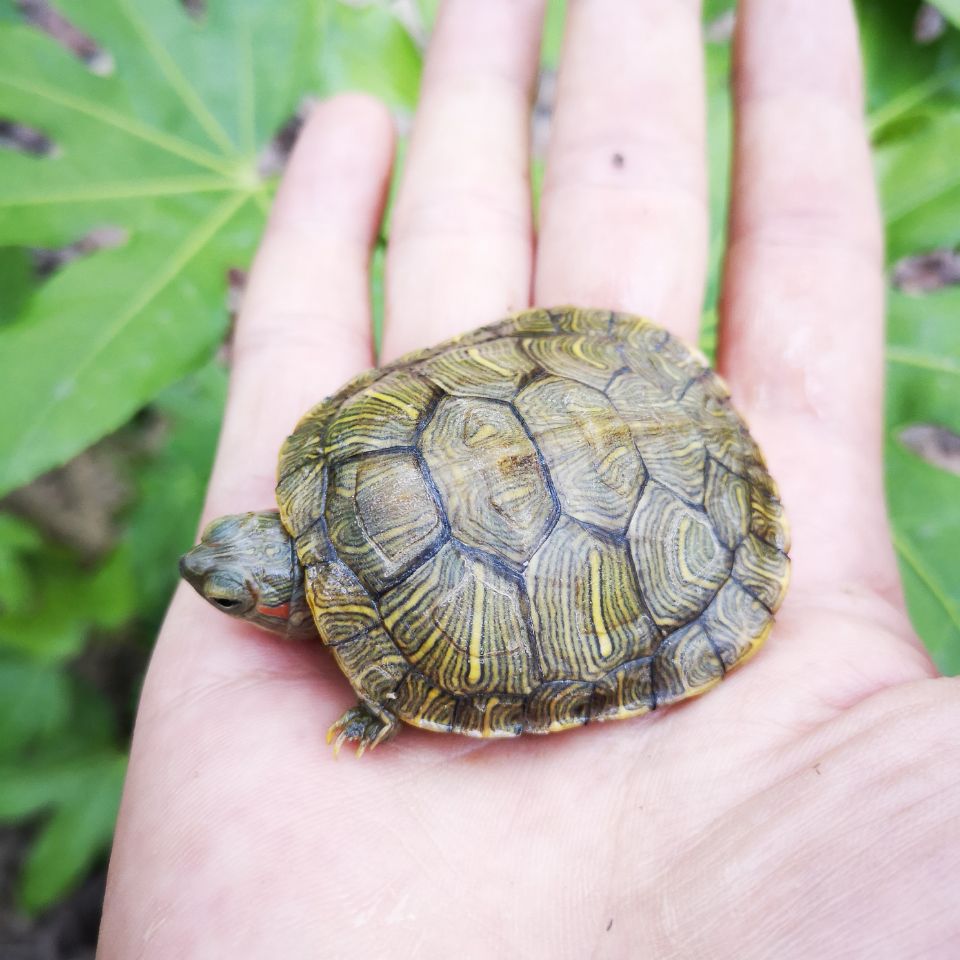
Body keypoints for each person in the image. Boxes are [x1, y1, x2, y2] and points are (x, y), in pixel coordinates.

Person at [97, 1, 959, 956]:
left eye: (228, 589)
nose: (209, 574)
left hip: (666, 509)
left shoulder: (353, 555)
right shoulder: (332, 463)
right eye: (229, 576)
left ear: (276, 603)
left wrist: (388, 702)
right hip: (595, 394)